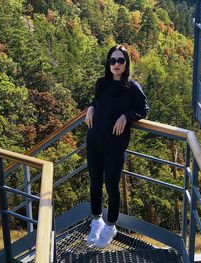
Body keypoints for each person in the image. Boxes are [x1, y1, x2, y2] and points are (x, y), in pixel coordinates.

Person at [85, 45, 149, 248]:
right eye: (112, 61)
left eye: (120, 60)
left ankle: (110, 226)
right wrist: (91, 107)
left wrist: (126, 116)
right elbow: (98, 100)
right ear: (108, 63)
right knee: (95, 182)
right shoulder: (101, 83)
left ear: (126, 63)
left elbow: (143, 109)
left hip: (115, 145)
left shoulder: (132, 87)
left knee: (111, 186)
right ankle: (96, 221)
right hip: (94, 140)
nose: (116, 64)